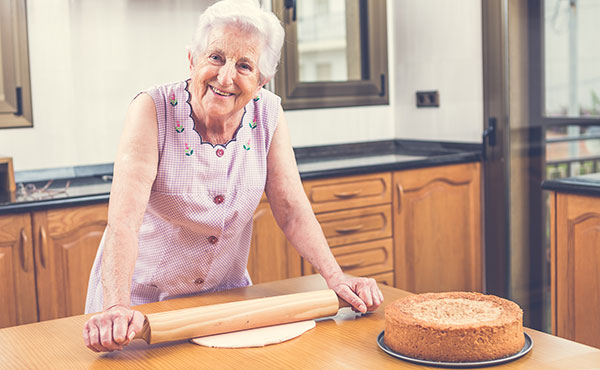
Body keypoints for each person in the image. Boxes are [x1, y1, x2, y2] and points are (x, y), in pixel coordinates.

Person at [82, 0, 383, 353]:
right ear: (192, 59)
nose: (225, 77)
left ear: (261, 81)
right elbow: (123, 222)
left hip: (224, 303)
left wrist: (335, 276)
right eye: (216, 58)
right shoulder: (152, 109)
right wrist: (116, 307)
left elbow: (291, 208)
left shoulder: (268, 113)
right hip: (140, 309)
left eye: (244, 65)